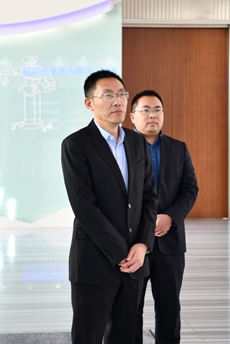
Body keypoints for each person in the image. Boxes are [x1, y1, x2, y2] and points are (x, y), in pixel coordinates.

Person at [61, 70, 158, 344]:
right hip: (95, 262)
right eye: (108, 95)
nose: (117, 100)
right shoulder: (76, 144)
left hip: (135, 262)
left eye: (121, 94)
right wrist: (122, 252)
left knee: (126, 336)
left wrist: (143, 245)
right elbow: (84, 207)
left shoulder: (137, 142)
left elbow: (149, 196)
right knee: (88, 336)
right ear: (89, 103)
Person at [130, 90, 199, 344]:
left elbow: (190, 189)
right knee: (130, 310)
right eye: (146, 110)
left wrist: (171, 216)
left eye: (158, 110)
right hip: (132, 243)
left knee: (169, 308)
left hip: (170, 243)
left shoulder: (178, 148)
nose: (153, 115)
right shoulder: (122, 147)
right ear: (132, 116)